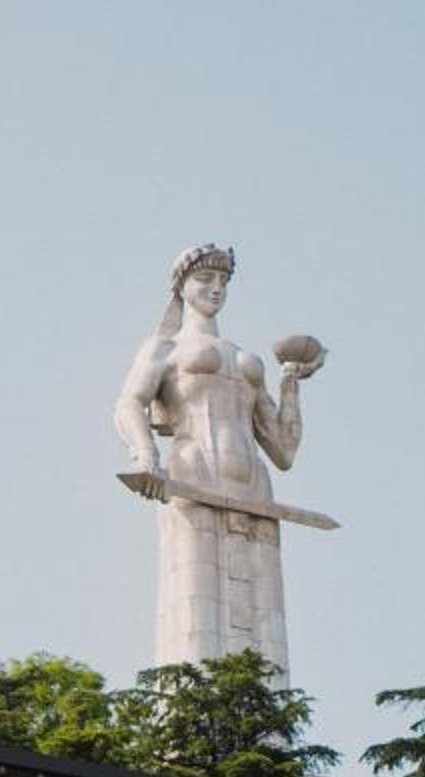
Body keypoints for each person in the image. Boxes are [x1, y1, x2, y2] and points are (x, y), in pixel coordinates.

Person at [114, 243, 322, 674]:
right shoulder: (163, 348)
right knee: (196, 616)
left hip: (255, 487)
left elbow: (284, 450)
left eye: (223, 280)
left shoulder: (247, 361)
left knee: (266, 624)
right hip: (194, 475)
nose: (216, 288)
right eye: (205, 279)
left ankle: (263, 716)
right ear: (181, 287)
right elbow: (129, 403)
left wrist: (290, 383)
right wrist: (146, 455)